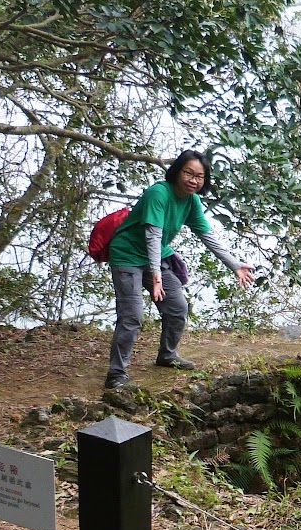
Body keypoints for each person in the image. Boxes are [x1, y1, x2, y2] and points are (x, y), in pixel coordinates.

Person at [103, 149, 253, 390]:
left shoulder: (192, 201)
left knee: (177, 307)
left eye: (200, 176)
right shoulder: (158, 193)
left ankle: (167, 355)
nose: (194, 180)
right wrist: (156, 276)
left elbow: (207, 236)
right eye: (188, 173)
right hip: (127, 255)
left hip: (156, 257)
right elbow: (153, 235)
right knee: (132, 316)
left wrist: (234, 264)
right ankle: (116, 375)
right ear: (177, 172)